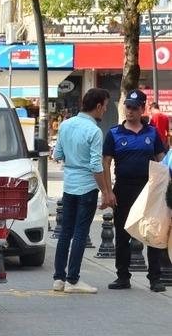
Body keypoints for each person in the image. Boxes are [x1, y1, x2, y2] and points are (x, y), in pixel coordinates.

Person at [102, 89, 167, 293]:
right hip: (123, 188)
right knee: (122, 234)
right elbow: (105, 163)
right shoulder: (114, 133)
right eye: (127, 107)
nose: (130, 111)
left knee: (152, 232)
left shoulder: (152, 132)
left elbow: (162, 159)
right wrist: (107, 192)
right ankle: (123, 276)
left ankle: (155, 278)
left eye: (134, 108)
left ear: (142, 109)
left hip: (148, 189)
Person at [51, 88, 113, 294]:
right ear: (97, 107)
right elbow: (96, 165)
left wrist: (73, 159)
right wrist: (105, 190)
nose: (105, 111)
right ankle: (73, 279)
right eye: (104, 107)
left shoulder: (66, 125)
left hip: (69, 184)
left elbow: (57, 154)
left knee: (65, 231)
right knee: (80, 232)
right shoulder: (94, 131)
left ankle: (59, 278)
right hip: (86, 186)